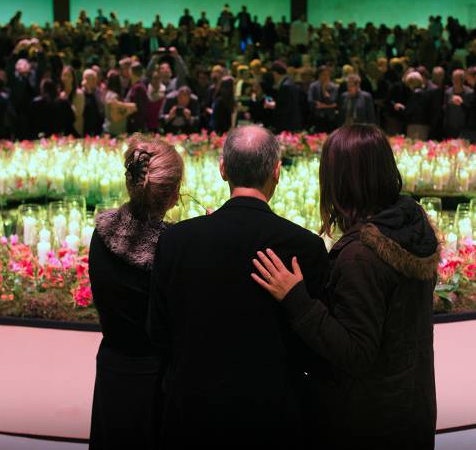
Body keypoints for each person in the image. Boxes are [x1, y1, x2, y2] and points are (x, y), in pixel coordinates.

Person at [251, 124, 439, 448]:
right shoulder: (410, 228)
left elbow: (356, 353)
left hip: (370, 422)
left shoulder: (361, 256)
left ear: (339, 180)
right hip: (409, 409)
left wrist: (297, 300)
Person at [147, 125, 330, 447]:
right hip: (272, 416)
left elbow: (158, 332)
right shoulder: (305, 247)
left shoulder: (176, 240)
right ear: (277, 172)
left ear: (223, 169)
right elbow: (315, 347)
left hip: (192, 412)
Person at [88, 135, 183, 449]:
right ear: (174, 195)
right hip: (156, 376)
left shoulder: (101, 233)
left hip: (113, 366)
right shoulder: (172, 248)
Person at [267, 61, 304, 133]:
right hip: (294, 122)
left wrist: (270, 104)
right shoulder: (290, 83)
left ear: (275, 73)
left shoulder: (285, 86)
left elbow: (283, 107)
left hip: (287, 124)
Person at [103, 70, 137, 137]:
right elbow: (115, 118)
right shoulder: (113, 96)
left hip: (111, 130)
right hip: (114, 133)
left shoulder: (109, 94)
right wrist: (128, 112)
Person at [307, 65, 338, 133]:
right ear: (319, 75)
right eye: (323, 75)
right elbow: (310, 100)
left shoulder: (334, 87)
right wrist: (316, 103)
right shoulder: (313, 86)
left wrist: (324, 90)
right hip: (317, 117)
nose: (325, 77)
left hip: (330, 118)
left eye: (327, 75)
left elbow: (333, 101)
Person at [443, 69, 472, 140]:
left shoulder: (469, 93)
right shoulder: (448, 92)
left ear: (463, 80)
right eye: (453, 79)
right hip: (449, 128)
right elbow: (444, 109)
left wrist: (462, 103)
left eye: (457, 79)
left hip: (463, 129)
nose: (455, 81)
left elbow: (471, 111)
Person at [81, 68, 104, 136]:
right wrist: (88, 91)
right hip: (85, 126)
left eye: (95, 79)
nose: (95, 81)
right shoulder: (81, 93)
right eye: (92, 79)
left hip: (98, 126)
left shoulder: (98, 91)